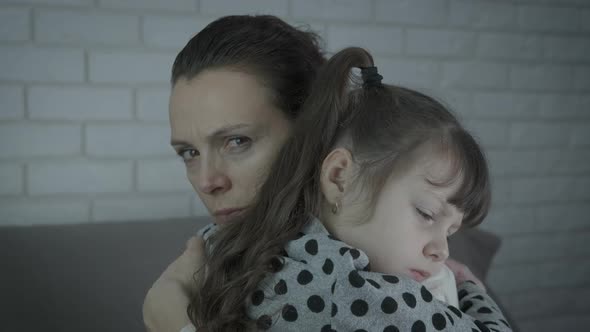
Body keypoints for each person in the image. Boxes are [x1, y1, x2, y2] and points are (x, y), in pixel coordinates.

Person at [142, 15, 492, 332]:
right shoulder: (213, 255)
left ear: (313, 132)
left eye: (237, 141)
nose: (206, 181)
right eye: (189, 152)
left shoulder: (385, 266)